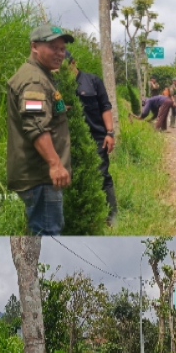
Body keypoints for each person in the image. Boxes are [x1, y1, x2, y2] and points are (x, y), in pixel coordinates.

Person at [7, 24, 74, 235]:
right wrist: (55, 164)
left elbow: (36, 114)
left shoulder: (40, 74)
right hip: (41, 176)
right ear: (35, 46)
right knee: (47, 233)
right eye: (53, 47)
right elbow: (35, 125)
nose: (60, 53)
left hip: (39, 176)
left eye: (62, 49)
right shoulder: (35, 80)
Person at [66, 51, 117, 224]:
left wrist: (110, 133)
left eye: (66, 66)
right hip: (70, 139)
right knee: (75, 177)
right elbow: (55, 105)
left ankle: (111, 217)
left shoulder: (92, 81)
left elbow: (105, 106)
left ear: (73, 63)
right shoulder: (58, 85)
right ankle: (84, 216)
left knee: (101, 174)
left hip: (97, 137)